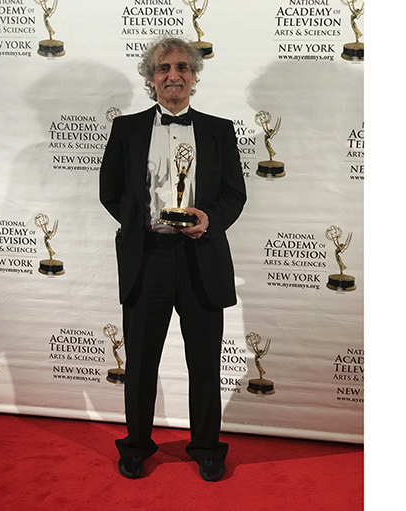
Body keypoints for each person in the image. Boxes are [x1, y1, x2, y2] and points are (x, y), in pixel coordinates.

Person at [99, 37, 246, 482]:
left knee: (205, 361)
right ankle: (138, 446)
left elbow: (234, 195)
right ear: (150, 79)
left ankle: (206, 447)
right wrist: (139, 220)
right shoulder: (125, 130)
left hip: (202, 255)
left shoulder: (219, 130)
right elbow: (110, 190)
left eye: (183, 67)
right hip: (149, 259)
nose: (173, 75)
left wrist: (209, 219)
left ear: (194, 77)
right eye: (164, 69)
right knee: (141, 361)